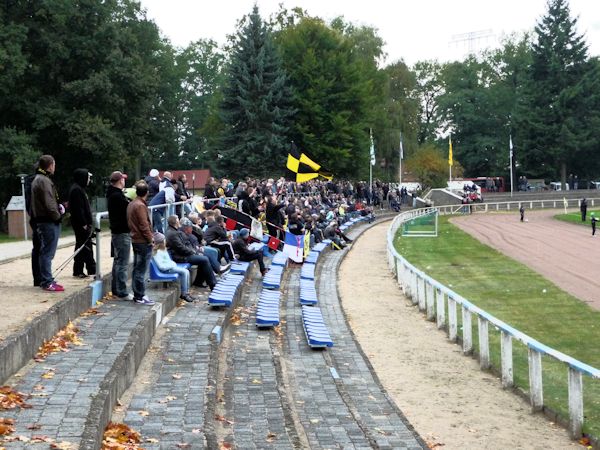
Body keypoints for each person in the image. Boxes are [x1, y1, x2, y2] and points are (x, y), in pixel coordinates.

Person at [30, 155, 65, 292]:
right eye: (54, 164)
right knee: (47, 252)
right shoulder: (43, 181)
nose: (55, 167)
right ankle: (47, 281)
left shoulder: (39, 179)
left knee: (45, 251)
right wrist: (57, 217)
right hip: (47, 220)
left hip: (43, 219)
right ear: (50, 165)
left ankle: (47, 278)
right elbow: (49, 203)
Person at [165, 216, 217, 289]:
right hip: (179, 257)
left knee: (203, 258)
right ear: (176, 222)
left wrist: (194, 251)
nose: (179, 222)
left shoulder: (173, 231)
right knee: (204, 259)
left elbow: (184, 244)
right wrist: (192, 252)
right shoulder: (173, 233)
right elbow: (181, 248)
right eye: (178, 220)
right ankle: (213, 284)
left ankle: (199, 282)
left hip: (181, 254)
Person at [126, 180, 155, 305]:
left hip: (135, 240)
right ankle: (140, 295)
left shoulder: (132, 204)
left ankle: (137, 294)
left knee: (137, 268)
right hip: (142, 241)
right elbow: (144, 225)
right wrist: (150, 239)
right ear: (147, 193)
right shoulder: (140, 206)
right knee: (141, 270)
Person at [106, 171, 132, 300]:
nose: (124, 181)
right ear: (120, 181)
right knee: (122, 262)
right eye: (123, 179)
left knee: (118, 261)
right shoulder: (117, 196)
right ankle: (121, 291)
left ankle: (116, 289)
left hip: (118, 232)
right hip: (121, 232)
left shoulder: (113, 194)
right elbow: (127, 210)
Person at [68, 168, 96, 278]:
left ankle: (86, 269)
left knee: (84, 246)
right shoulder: (76, 190)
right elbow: (78, 209)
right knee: (83, 246)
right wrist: (84, 223)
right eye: (88, 177)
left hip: (84, 224)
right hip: (80, 224)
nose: (89, 180)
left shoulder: (80, 189)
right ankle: (83, 269)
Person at [152, 232, 195, 302]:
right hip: (166, 270)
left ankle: (186, 292)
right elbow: (161, 266)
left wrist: (172, 264)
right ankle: (184, 293)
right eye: (164, 240)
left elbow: (168, 261)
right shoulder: (157, 253)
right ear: (161, 242)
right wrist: (172, 265)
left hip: (170, 267)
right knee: (184, 272)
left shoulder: (163, 250)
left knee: (186, 271)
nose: (165, 241)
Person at [24, 162, 42, 286]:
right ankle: (40, 277)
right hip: (39, 218)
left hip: (35, 218)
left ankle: (38, 277)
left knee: (37, 248)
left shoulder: (29, 182)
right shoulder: (36, 182)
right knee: (40, 248)